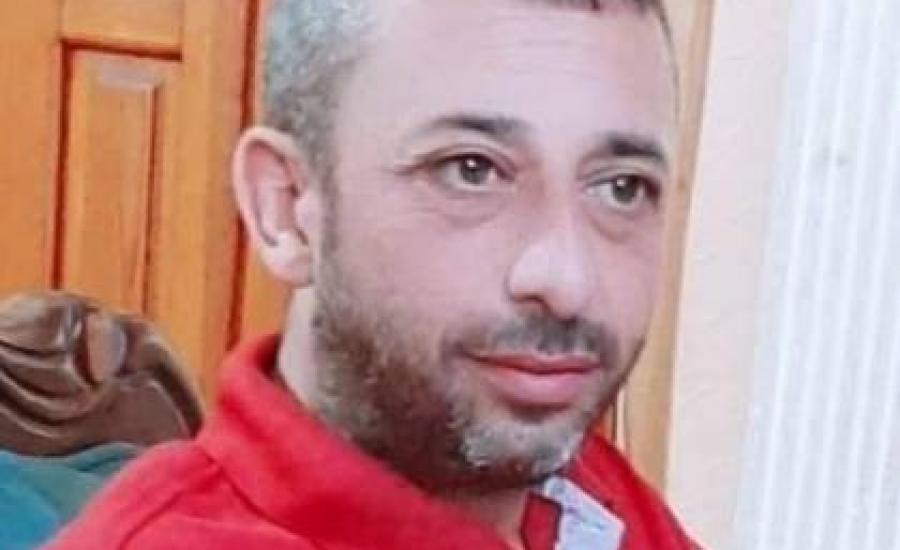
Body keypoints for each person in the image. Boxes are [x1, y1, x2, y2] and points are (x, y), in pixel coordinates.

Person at [47, 0, 697, 548]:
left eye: (621, 187)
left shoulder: (571, 484)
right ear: (286, 208)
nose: (568, 280)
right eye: (470, 170)